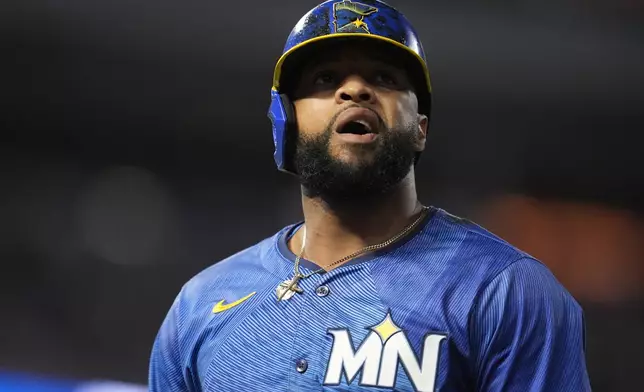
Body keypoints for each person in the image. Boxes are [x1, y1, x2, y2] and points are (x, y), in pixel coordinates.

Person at [148, 1, 592, 390]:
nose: (355, 90)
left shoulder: (505, 290)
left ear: (420, 128)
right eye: (325, 78)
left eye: (384, 78)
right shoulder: (202, 303)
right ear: (287, 122)